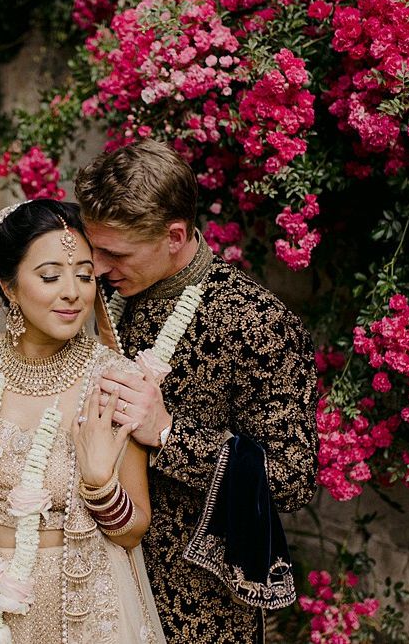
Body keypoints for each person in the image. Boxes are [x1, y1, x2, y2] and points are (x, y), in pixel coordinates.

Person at [75, 138, 319, 643]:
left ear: (174, 236)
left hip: (197, 606)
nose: (95, 268)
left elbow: (293, 479)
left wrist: (168, 433)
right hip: (92, 588)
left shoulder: (256, 323)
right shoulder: (93, 299)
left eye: (114, 253)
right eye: (93, 248)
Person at [0, 200, 165, 644]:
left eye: (85, 276)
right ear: (9, 286)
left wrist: (100, 485)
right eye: (50, 276)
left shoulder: (115, 379)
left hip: (84, 606)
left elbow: (133, 531)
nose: (73, 292)